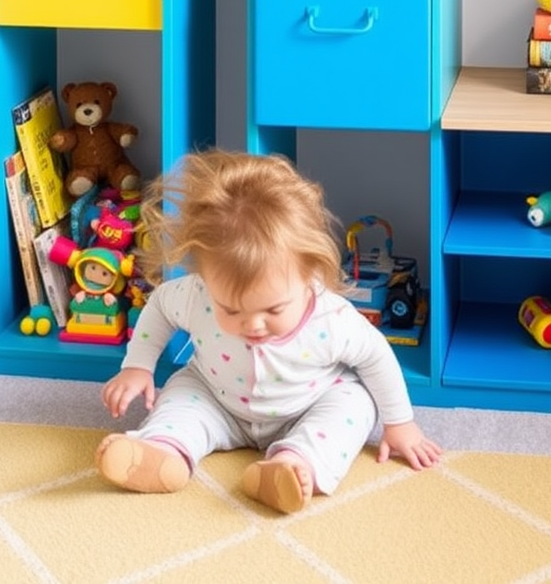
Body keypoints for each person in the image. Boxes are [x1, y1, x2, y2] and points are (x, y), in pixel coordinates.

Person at [97, 148, 442, 514]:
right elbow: (160, 307)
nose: (254, 324)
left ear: (310, 272)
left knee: (355, 405)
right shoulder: (196, 294)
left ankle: (294, 465)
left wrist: (400, 423)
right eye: (231, 309)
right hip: (216, 398)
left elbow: (376, 357)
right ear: (205, 277)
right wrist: (138, 365)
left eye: (274, 309)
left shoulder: (330, 317)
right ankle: (161, 452)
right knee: (181, 398)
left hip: (307, 405)